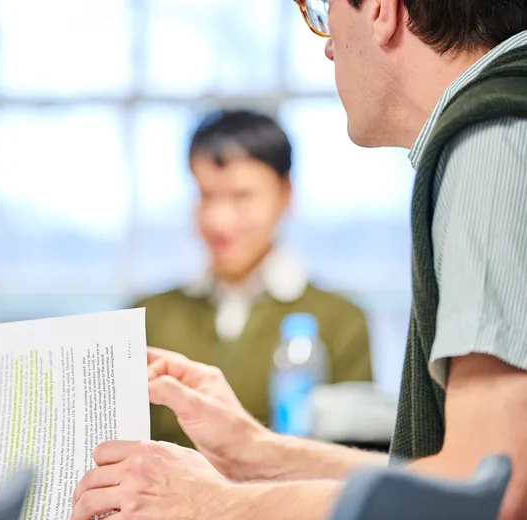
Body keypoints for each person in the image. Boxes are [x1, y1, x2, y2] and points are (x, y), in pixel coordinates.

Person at [72, 1, 527, 519]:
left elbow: (492, 490)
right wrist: (257, 452)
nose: (328, 42)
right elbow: (449, 473)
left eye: (324, 10)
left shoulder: (488, 142)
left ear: (380, 9)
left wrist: (214, 503)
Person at [136, 109, 372, 447]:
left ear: (286, 194)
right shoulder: (149, 316)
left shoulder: (340, 320)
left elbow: (352, 461)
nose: (219, 220)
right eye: (206, 195)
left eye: (241, 196)